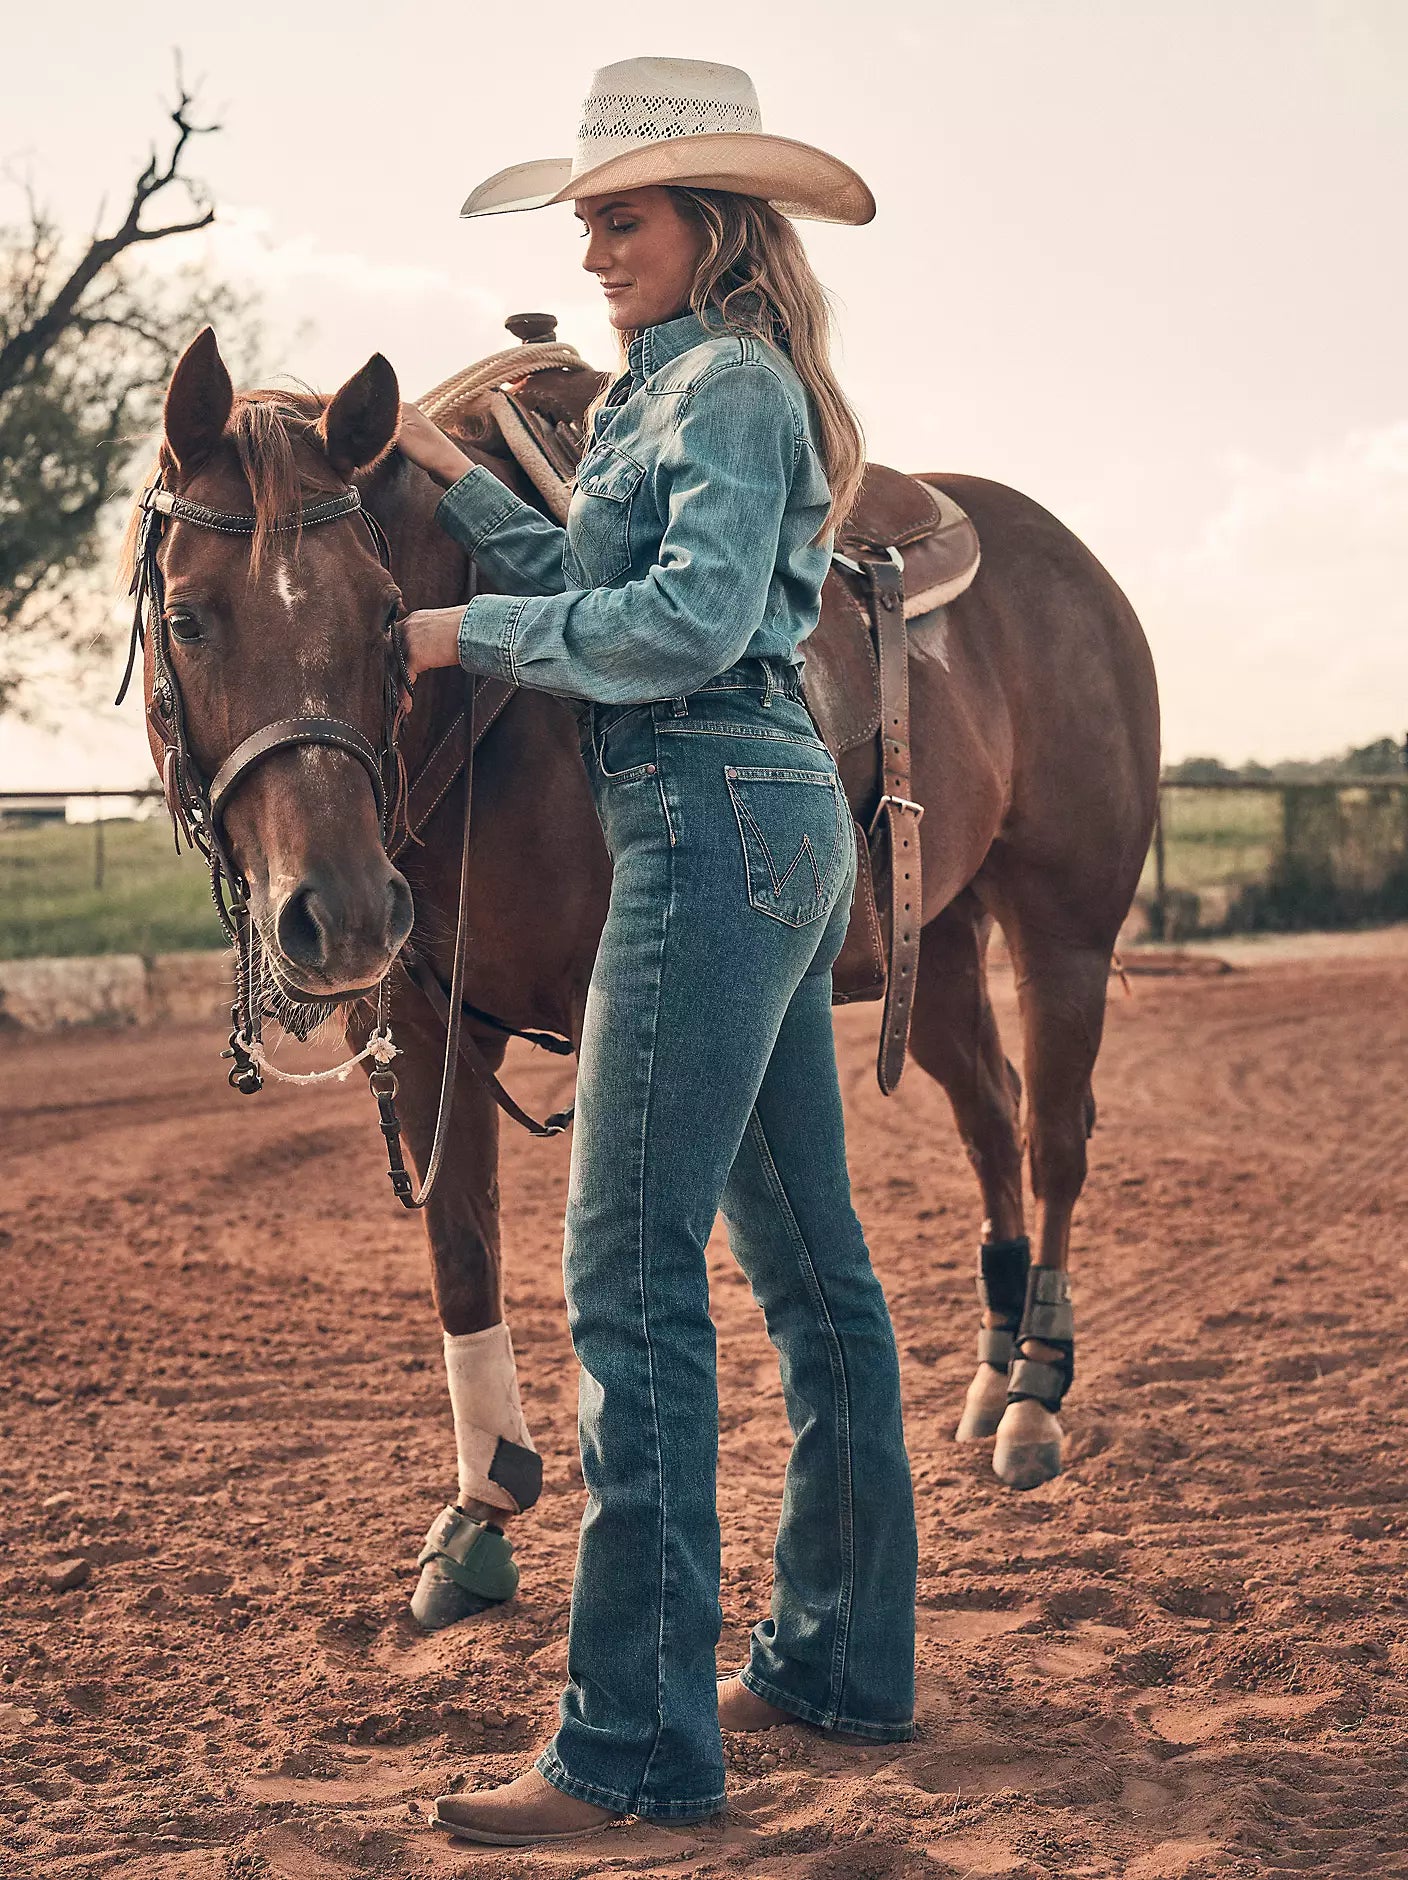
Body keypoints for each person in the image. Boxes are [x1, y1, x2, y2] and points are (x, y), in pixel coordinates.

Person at [394, 56, 918, 1848]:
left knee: (629, 1279)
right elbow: (592, 565)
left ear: (716, 224)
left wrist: (468, 634)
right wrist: (453, 488)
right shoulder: (684, 386)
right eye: (589, 219)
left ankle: (628, 1747)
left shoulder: (732, 385)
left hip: (704, 816)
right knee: (810, 1270)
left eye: (625, 216)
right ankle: (840, 1663)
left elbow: (684, 621)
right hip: (744, 818)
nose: (596, 243)